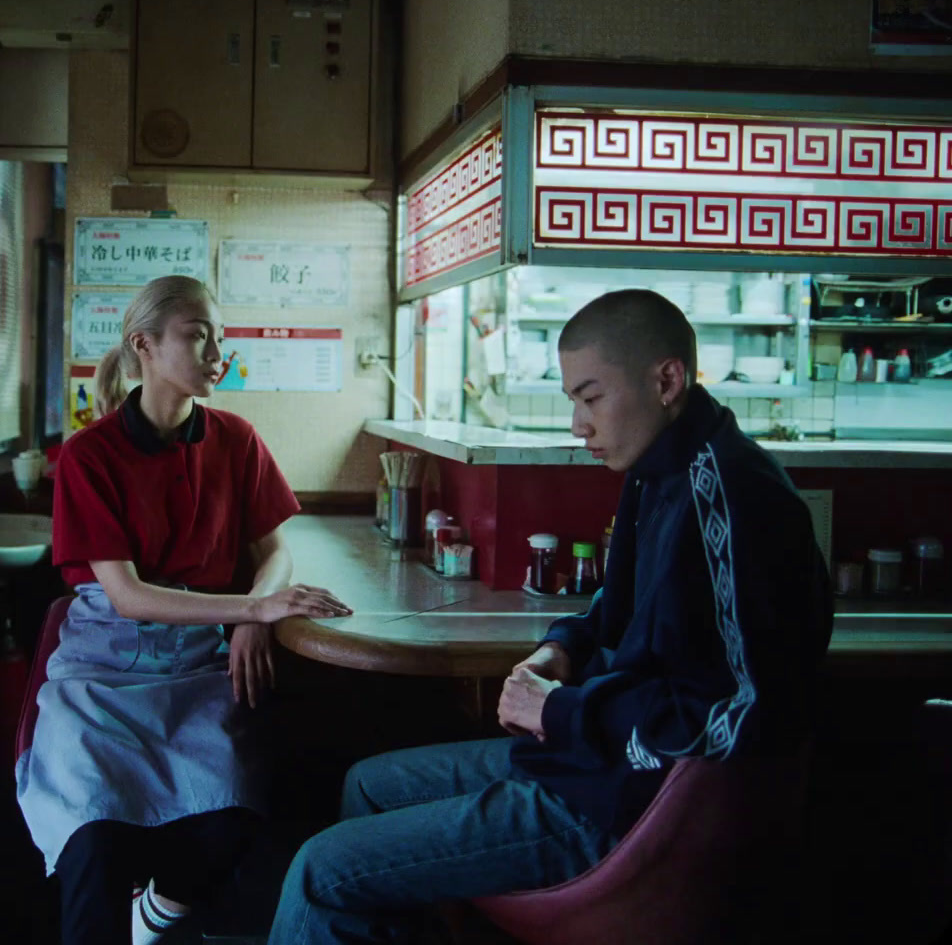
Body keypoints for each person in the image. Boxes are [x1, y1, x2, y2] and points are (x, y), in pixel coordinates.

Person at [267, 288, 832, 944]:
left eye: (591, 398)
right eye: (573, 400)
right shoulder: (656, 472)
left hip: (630, 805)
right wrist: (557, 651)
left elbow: (741, 717)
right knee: (366, 784)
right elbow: (609, 614)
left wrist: (560, 712)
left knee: (321, 872)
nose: (577, 424)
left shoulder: (736, 498)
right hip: (590, 757)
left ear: (667, 379)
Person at [16, 274, 352, 945]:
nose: (215, 351)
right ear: (144, 344)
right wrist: (252, 612)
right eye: (198, 336)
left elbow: (274, 549)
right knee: (93, 844)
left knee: (232, 821)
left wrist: (254, 614)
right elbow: (127, 594)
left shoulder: (235, 437)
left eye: (219, 338)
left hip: (197, 662)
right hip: (104, 668)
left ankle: (158, 914)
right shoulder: (90, 453)